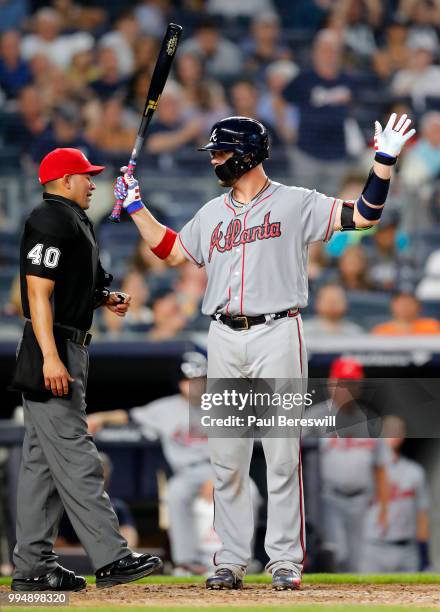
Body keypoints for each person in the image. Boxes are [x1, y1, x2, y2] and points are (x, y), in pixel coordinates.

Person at [113, 111, 415, 590]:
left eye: (222, 151)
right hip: (223, 336)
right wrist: (135, 209)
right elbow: (172, 251)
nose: (215, 159)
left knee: (280, 453)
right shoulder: (212, 213)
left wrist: (383, 161)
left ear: (249, 154)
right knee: (226, 458)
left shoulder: (296, 202)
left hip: (278, 331)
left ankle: (284, 561)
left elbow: (363, 216)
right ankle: (230, 561)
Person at [11, 147, 162, 592]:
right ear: (63, 180)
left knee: (40, 465)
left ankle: (33, 567)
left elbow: (72, 286)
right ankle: (111, 558)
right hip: (51, 346)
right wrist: (52, 355)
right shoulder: (49, 218)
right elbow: (36, 295)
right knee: (79, 457)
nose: (93, 182)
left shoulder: (72, 219)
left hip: (66, 341)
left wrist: (103, 299)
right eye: (85, 175)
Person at [88, 352, 261, 575]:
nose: (195, 385)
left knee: (252, 491)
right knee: (176, 492)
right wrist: (100, 417)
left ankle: (243, 558)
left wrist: (216, 477)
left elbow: (238, 449)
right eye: (189, 380)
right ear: (179, 382)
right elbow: (129, 416)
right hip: (187, 472)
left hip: (224, 468)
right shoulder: (165, 409)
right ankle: (186, 562)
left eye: (200, 379)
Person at [304, 358, 390, 572]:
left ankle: (357, 602)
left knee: (361, 559)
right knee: (336, 554)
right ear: (330, 383)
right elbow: (298, 459)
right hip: (328, 498)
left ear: (359, 386)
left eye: (351, 383)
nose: (346, 389)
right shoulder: (315, 416)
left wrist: (384, 508)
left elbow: (380, 467)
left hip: (363, 500)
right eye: (342, 382)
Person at [360, 415, 430, 573]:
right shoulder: (366, 469)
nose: (393, 435)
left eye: (397, 431)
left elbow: (422, 515)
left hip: (407, 549)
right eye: (388, 431)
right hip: (373, 548)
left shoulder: (415, 471)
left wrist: (424, 553)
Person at [372, 292, 440, 335]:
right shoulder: (381, 330)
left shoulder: (432, 326)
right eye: (401, 304)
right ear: (392, 306)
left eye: (409, 304)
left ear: (418, 306)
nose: (405, 307)